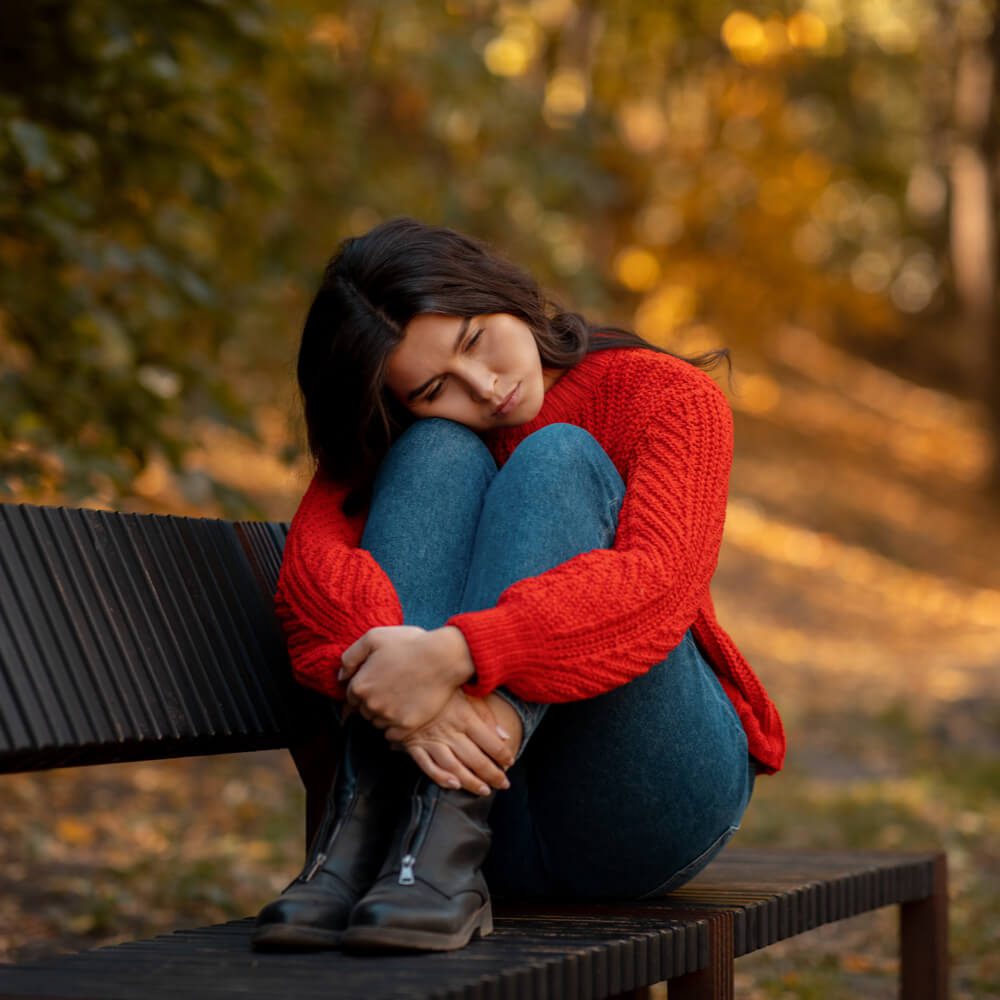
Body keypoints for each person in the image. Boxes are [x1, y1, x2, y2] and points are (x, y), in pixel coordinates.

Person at [251, 217, 785, 954]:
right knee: (433, 454)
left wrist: (456, 655)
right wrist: (412, 704)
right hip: (435, 848)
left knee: (557, 458)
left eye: (475, 340)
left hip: (646, 798)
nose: (485, 387)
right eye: (434, 387)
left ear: (499, 291)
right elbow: (311, 573)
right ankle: (372, 832)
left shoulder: (665, 395)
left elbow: (657, 588)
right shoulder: (408, 429)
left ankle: (434, 830)